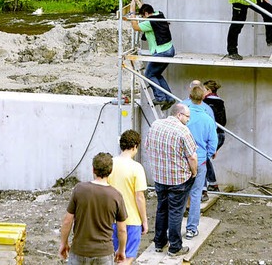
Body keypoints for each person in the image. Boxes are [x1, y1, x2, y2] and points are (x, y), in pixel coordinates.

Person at [144, 103, 198, 257]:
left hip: (160, 177)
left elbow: (148, 146)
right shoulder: (183, 131)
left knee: (161, 209)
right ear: (179, 115)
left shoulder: (155, 125)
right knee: (175, 212)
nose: (188, 120)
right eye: (187, 116)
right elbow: (192, 157)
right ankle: (175, 247)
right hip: (178, 179)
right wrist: (194, 173)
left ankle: (159, 243)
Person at [58, 152, 128, 264]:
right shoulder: (116, 195)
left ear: (93, 169)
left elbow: (67, 221)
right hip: (104, 253)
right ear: (110, 171)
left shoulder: (79, 189)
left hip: (79, 251)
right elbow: (122, 229)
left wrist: (63, 243)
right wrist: (121, 250)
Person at [108, 130, 148, 265]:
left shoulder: (109, 164)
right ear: (135, 146)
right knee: (127, 258)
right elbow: (139, 197)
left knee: (112, 256)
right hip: (131, 219)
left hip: (109, 219)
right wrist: (144, 220)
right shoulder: (137, 168)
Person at [183, 84, 218, 240]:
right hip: (200, 161)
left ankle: (175, 229)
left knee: (179, 195)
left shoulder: (182, 114)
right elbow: (213, 142)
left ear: (189, 95)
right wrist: (206, 156)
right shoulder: (207, 117)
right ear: (204, 96)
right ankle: (191, 229)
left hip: (182, 161)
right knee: (196, 195)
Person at [126, 0, 175, 108]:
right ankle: (169, 98)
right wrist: (137, 2)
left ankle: (160, 98)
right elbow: (145, 9)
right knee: (156, 74)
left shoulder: (149, 22)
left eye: (143, 16)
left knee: (149, 75)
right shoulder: (158, 14)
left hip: (162, 52)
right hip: (169, 50)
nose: (142, 19)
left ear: (147, 14)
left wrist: (132, 13)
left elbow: (135, 27)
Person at [203, 79, 227, 192]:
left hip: (213, 135)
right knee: (205, 160)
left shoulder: (207, 103)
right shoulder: (220, 102)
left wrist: (210, 141)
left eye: (203, 89)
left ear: (208, 90)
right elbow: (224, 121)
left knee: (201, 160)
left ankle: (204, 188)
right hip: (220, 135)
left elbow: (209, 123)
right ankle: (213, 184)